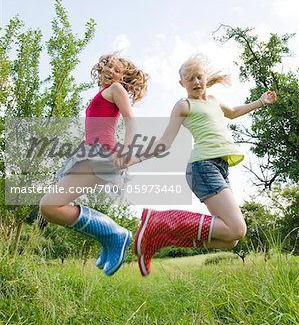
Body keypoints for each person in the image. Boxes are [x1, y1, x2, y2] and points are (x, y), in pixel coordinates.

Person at [119, 53, 277, 276]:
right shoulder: (184, 106)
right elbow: (164, 143)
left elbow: (232, 113)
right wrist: (132, 159)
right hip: (203, 167)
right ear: (181, 83)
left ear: (205, 78)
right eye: (189, 78)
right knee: (238, 228)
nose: (195, 82)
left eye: (199, 77)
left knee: (229, 239)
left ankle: (162, 238)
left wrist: (261, 102)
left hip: (220, 168)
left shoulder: (214, 101)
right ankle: (160, 221)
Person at [39, 53, 148, 276]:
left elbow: (131, 119)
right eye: (108, 66)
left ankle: (115, 235)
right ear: (101, 67)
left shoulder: (116, 89)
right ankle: (111, 238)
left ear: (123, 77)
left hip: (101, 154)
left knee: (50, 206)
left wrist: (127, 152)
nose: (111, 71)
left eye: (117, 70)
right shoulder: (101, 94)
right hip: (90, 152)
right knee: (50, 207)